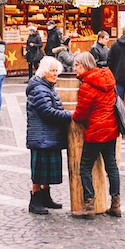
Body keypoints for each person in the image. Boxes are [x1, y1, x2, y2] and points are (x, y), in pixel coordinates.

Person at [71, 51, 121, 219]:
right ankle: (115, 204)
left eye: (76, 65)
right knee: (111, 166)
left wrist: (73, 116)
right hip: (111, 129)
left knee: (85, 167)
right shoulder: (108, 79)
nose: (75, 68)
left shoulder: (87, 85)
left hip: (95, 131)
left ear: (84, 65)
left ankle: (89, 205)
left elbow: (81, 114)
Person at [25, 55, 72, 215]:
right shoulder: (39, 88)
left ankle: (45, 196)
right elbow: (47, 112)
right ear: (44, 72)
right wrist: (70, 115)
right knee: (39, 170)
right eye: (52, 71)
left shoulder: (47, 86)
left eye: (56, 71)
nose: (54, 74)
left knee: (46, 169)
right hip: (41, 135)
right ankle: (35, 199)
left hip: (48, 134)